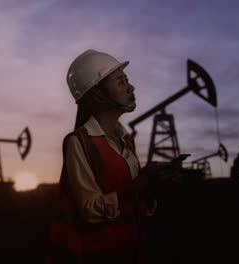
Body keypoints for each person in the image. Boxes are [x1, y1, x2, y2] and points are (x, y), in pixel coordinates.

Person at [47, 50, 167, 263]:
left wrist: (152, 184)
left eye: (127, 80)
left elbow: (134, 204)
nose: (131, 87)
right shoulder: (78, 142)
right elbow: (90, 210)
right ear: (98, 95)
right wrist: (137, 186)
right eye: (121, 82)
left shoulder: (125, 140)